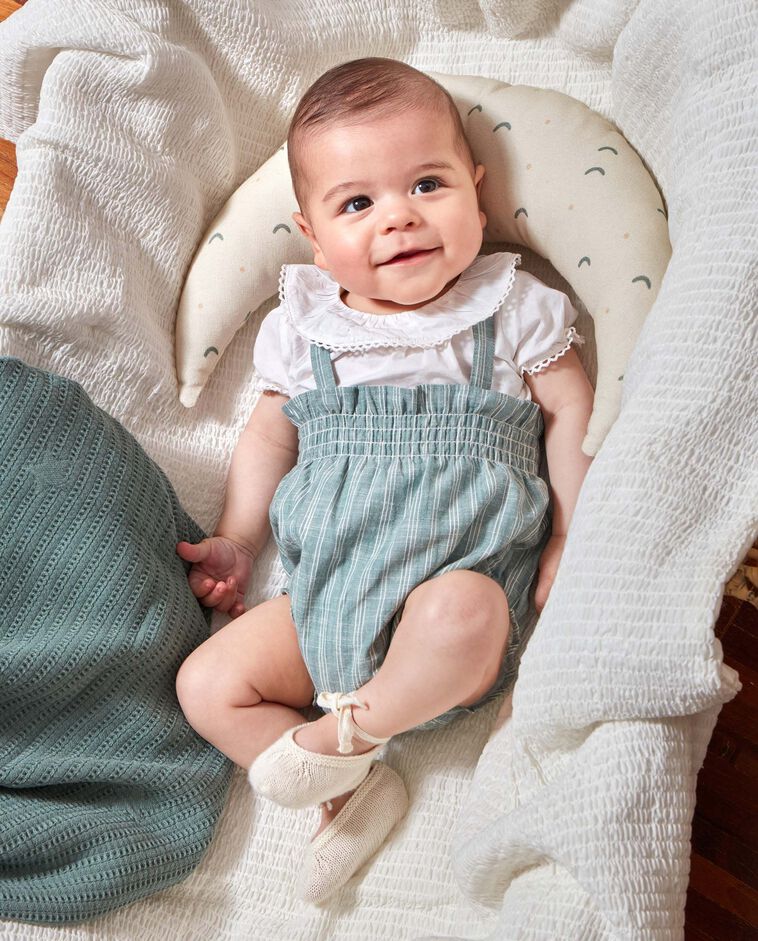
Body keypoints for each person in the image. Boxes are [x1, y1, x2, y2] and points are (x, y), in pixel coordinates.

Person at [175, 57, 594, 905]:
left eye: (428, 184)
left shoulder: (512, 307)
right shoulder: (305, 330)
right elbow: (267, 438)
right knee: (205, 684)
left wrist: (567, 532)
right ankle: (352, 790)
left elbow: (573, 413)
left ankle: (344, 736)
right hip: (323, 599)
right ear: (312, 234)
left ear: (478, 191)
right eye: (357, 203)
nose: (398, 217)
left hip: (460, 609)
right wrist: (239, 537)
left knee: (461, 609)